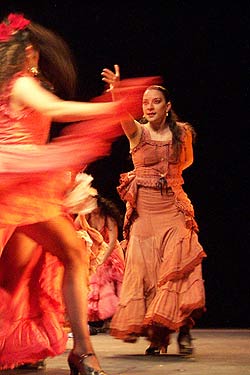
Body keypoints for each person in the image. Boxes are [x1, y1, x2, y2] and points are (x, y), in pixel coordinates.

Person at [0, 13, 137, 374]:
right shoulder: (20, 83)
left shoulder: (9, 85)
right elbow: (55, 109)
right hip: (18, 187)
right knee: (71, 253)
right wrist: (111, 107)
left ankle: (72, 351)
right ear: (29, 52)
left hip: (18, 184)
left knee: (14, 276)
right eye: (35, 53)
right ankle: (83, 352)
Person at [101, 64, 207, 356]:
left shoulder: (182, 133)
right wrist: (116, 92)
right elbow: (122, 114)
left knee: (179, 266)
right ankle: (157, 338)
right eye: (145, 102)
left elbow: (186, 163)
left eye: (155, 101)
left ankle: (183, 329)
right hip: (145, 215)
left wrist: (167, 178)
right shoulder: (137, 132)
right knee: (148, 274)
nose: (149, 106)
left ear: (167, 106)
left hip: (173, 209)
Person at [75, 195, 125, 332]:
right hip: (93, 251)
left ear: (100, 205)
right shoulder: (84, 216)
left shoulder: (108, 218)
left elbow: (113, 241)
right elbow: (73, 231)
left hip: (110, 250)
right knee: (89, 280)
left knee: (104, 275)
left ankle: (110, 316)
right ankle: (95, 318)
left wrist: (102, 258)